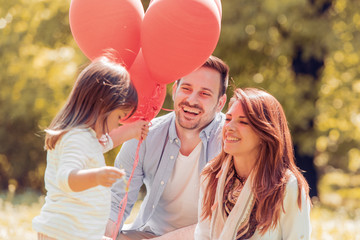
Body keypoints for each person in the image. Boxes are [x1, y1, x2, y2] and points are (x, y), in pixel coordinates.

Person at [105, 55, 230, 240]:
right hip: (149, 234)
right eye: (186, 88)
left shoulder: (231, 141)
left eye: (205, 93)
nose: (192, 100)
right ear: (174, 90)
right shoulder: (144, 135)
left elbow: (223, 220)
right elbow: (117, 202)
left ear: (220, 103)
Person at [32, 56, 149, 240]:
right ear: (103, 106)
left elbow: (108, 141)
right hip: (64, 233)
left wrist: (132, 130)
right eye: (119, 117)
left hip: (78, 232)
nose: (117, 125)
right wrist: (97, 176)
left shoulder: (87, 137)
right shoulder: (77, 138)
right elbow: (65, 178)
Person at [195, 88, 312, 240]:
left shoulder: (286, 186)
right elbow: (203, 235)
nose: (229, 127)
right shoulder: (211, 175)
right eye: (228, 119)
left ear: (265, 133)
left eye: (243, 122)